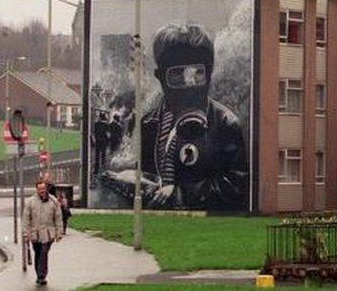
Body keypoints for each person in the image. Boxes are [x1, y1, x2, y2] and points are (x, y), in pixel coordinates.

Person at [104, 23, 248, 210]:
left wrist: (179, 194)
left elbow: (236, 185)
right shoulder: (148, 124)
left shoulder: (224, 123)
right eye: (177, 74)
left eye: (198, 73)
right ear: (160, 77)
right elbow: (149, 173)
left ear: (209, 74)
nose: (189, 84)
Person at [23, 180, 63, 286]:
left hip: (48, 233)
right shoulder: (30, 202)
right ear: (36, 189)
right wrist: (25, 234)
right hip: (35, 234)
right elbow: (26, 219)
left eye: (43, 188)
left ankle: (42, 276)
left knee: (44, 252)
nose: (42, 190)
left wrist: (59, 233)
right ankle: (39, 275)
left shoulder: (53, 201)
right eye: (39, 189)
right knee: (38, 253)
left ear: (46, 189)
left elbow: (58, 218)